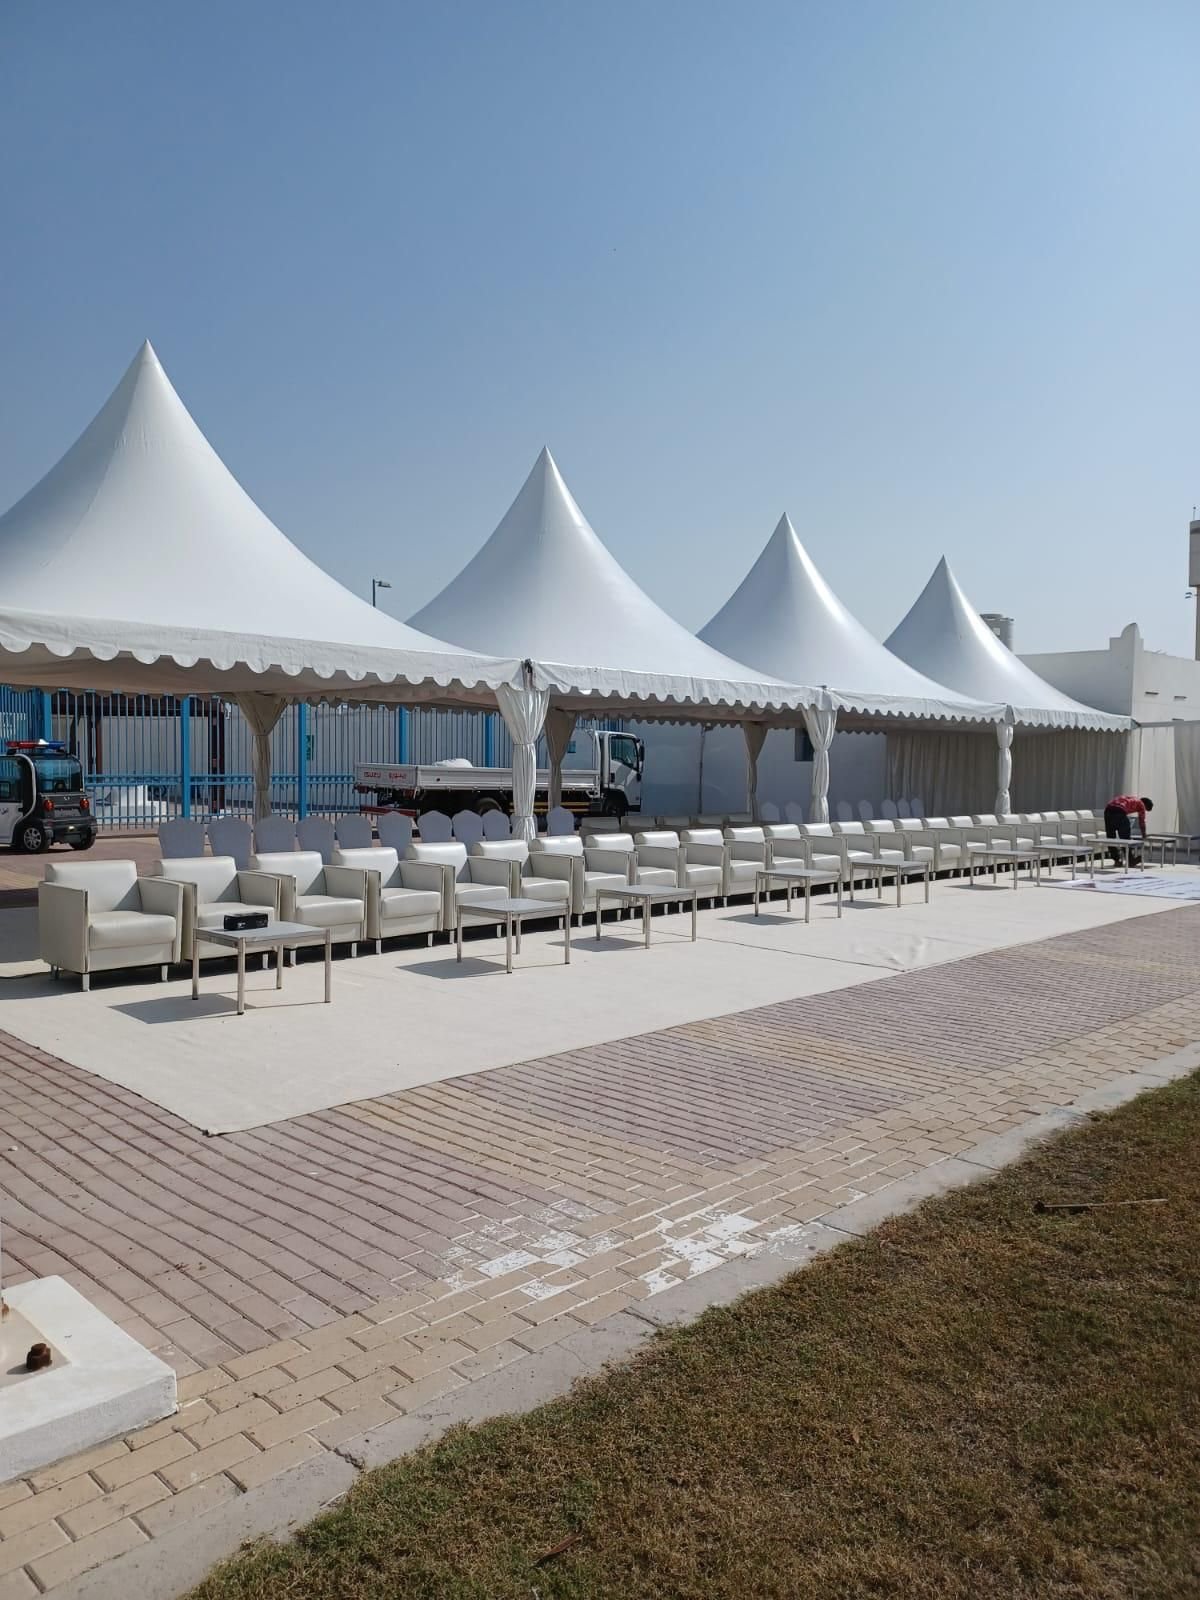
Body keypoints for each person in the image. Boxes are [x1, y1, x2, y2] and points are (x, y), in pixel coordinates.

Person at [1103, 793, 1153, 866]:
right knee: (1125, 838)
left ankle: (1116, 860)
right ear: (1145, 805)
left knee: (1111, 837)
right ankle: (1130, 860)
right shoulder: (1141, 804)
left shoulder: (1131, 798)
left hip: (1108, 810)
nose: (1144, 810)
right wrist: (1144, 834)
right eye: (1146, 809)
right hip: (1119, 811)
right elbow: (1141, 821)